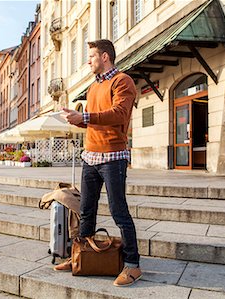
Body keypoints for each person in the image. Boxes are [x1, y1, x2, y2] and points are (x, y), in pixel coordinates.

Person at [57, 39, 141, 287]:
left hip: (113, 157)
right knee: (86, 211)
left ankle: (133, 265)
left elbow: (119, 114)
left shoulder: (122, 81)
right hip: (90, 156)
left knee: (119, 211)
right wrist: (77, 120)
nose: (88, 61)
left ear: (105, 57)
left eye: (92, 56)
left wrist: (84, 116)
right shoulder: (93, 89)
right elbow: (95, 120)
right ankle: (79, 257)